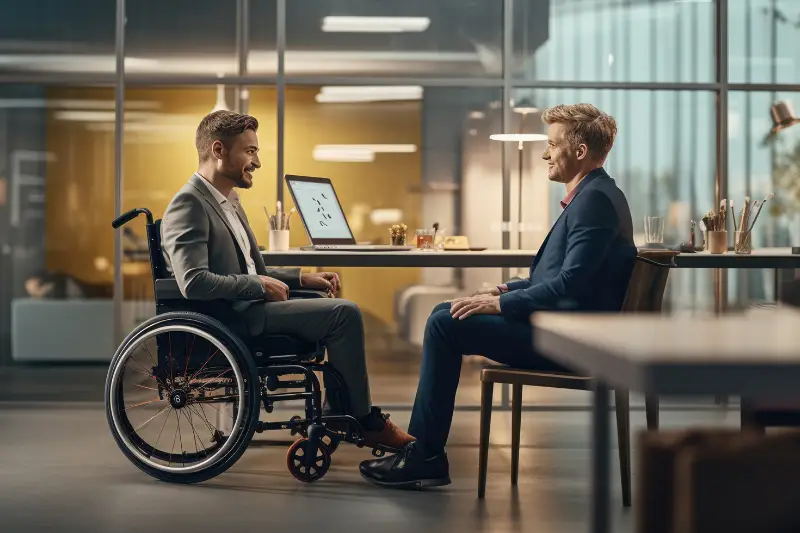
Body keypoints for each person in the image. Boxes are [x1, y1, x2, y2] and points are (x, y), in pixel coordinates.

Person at [360, 103, 637, 488]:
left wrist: (500, 303)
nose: (545, 153)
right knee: (447, 311)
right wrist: (504, 288)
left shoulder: (594, 201)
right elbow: (560, 277)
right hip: (567, 329)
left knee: (443, 323)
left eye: (552, 145)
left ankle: (424, 455)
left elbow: (570, 283)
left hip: (572, 342)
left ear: (579, 151)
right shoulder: (597, 194)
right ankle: (423, 452)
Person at [160, 110, 413, 450]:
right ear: (218, 150)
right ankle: (363, 420)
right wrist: (259, 286)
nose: (257, 162)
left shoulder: (228, 203)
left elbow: (250, 269)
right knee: (345, 313)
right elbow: (194, 282)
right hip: (233, 319)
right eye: (250, 151)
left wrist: (300, 279)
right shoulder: (189, 204)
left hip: (247, 307)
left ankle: (341, 412)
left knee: (326, 305)